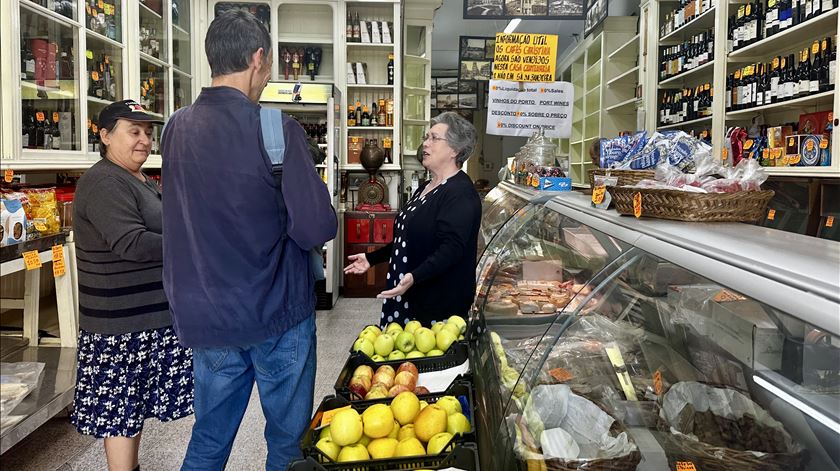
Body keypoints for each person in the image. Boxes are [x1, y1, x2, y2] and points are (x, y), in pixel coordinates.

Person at [160, 10, 337, 471]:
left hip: (207, 316)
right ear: (259, 58)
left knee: (209, 440)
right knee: (286, 444)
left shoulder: (175, 129)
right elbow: (316, 227)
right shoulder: (276, 129)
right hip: (276, 313)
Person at [71, 99, 194, 471]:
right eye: (133, 131)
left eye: (148, 132)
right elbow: (131, 243)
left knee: (133, 409)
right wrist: (194, 240)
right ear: (105, 136)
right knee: (121, 415)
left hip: (145, 322)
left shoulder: (138, 179)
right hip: (119, 328)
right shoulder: (104, 181)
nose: (144, 140)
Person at [344, 112, 481, 327]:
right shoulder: (426, 187)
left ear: (455, 149)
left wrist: (415, 276)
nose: (425, 143)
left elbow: (452, 248)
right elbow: (405, 239)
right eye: (426, 137)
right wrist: (372, 259)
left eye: (434, 138)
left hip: (435, 304)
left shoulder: (460, 192)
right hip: (408, 293)